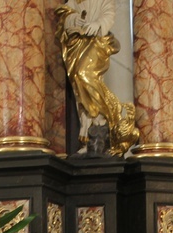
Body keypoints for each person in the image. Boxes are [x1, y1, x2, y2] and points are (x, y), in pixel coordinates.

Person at [55, 0, 138, 156]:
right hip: (77, 44)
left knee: (85, 75)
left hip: (97, 43)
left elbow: (109, 14)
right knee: (80, 88)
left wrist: (98, 24)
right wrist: (74, 20)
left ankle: (109, 115)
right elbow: (65, 16)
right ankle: (91, 131)